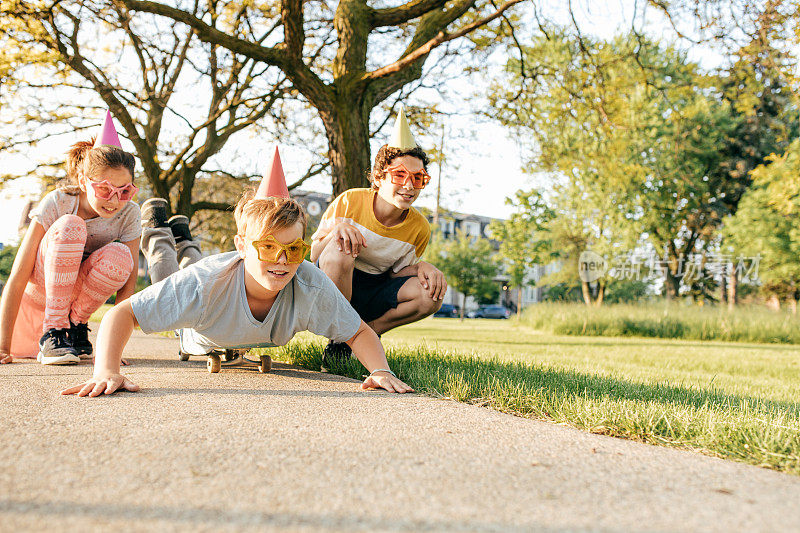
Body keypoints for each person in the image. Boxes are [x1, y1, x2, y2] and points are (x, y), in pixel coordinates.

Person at [61, 147, 413, 397]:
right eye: (268, 247)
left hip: (218, 283)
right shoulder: (204, 284)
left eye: (294, 249)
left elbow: (358, 332)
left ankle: (185, 239)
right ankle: (159, 233)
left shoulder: (308, 280)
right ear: (242, 247)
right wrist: (107, 371)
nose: (282, 261)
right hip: (195, 331)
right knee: (168, 272)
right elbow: (120, 315)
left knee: (192, 262)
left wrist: (380, 370)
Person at [0, 112, 141, 365]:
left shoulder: (129, 213)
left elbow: (127, 288)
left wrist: (114, 352)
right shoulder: (59, 201)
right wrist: (2, 346)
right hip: (43, 291)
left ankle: (75, 328)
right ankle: (53, 332)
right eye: (105, 189)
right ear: (84, 181)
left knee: (122, 256)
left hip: (79, 296)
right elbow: (19, 273)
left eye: (125, 191)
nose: (114, 200)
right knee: (72, 226)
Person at [310, 105, 446, 362]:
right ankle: (340, 338)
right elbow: (315, 254)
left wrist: (422, 267)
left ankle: (367, 334)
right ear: (379, 177)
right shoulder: (349, 201)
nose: (409, 186)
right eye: (400, 175)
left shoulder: (419, 227)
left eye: (418, 178)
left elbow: (396, 274)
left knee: (431, 292)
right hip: (333, 282)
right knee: (341, 249)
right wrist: (335, 231)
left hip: (375, 289)